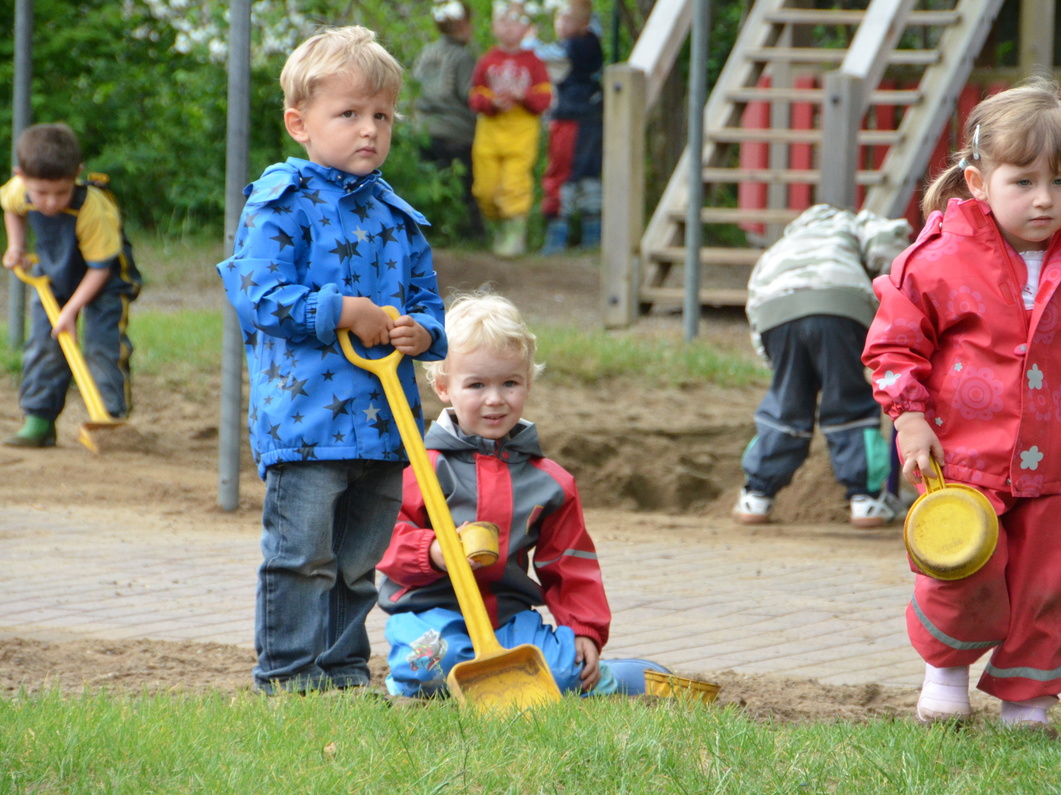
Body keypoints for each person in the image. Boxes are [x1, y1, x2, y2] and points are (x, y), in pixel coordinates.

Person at [861, 76, 1061, 729]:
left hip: (1051, 466)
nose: (1044, 199)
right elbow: (893, 346)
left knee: (1049, 581)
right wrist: (910, 419)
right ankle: (944, 676)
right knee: (963, 570)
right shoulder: (938, 258)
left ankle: (1029, 699)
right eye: (1022, 182)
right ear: (978, 181)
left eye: (1060, 181)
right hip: (962, 460)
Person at [217, 25, 447, 694]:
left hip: (384, 424)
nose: (369, 130)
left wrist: (423, 334)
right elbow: (260, 296)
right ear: (300, 123)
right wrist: (342, 310)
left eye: (381, 115)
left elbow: (429, 301)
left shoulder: (396, 216)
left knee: (357, 563)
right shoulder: (281, 203)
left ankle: (342, 672)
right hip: (306, 423)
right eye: (348, 114)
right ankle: (288, 676)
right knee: (301, 558)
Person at [376, 293, 665, 697]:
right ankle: (406, 682)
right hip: (430, 614)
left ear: (527, 384)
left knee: (568, 673)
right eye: (476, 385)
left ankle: (616, 678)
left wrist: (584, 631)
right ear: (444, 387)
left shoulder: (548, 482)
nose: (495, 399)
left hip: (508, 619)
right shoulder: (423, 469)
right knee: (431, 664)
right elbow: (383, 537)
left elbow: (570, 563)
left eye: (509, 383)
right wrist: (433, 551)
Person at [734, 204, 910, 528]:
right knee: (847, 400)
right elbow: (889, 246)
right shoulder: (852, 223)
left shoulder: (783, 244)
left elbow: (755, 295)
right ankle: (867, 500)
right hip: (840, 307)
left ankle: (756, 496)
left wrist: (771, 357)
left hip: (777, 311)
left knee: (786, 404)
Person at [1, 123, 141, 448]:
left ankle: (111, 421)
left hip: (106, 281)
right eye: (41, 194)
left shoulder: (94, 209)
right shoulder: (18, 189)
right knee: (42, 343)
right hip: (54, 275)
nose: (50, 203)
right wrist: (16, 246)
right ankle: (39, 421)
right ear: (20, 175)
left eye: (61, 193)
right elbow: (11, 209)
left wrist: (70, 311)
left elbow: (100, 268)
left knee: (101, 347)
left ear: (77, 173)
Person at [469, 0, 553, 258]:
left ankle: (515, 235)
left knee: (515, 184)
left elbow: (544, 99)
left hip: (521, 133)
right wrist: (492, 102)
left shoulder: (534, 62)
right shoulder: (487, 60)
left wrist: (522, 95)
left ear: (526, 28)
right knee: (485, 188)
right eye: (503, 22)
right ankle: (498, 229)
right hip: (490, 132)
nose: (509, 28)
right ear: (494, 27)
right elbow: (474, 97)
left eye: (515, 22)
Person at [529, 0, 604, 255]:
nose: (560, 23)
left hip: (570, 119)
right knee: (588, 175)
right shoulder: (593, 41)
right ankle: (592, 235)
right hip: (591, 118)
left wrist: (529, 42)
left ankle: (556, 238)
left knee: (560, 175)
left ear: (582, 24)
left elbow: (546, 56)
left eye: (567, 19)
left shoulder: (572, 47)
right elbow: (592, 20)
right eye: (559, 18)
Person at [412, 0, 487, 243]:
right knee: (464, 188)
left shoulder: (427, 51)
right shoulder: (463, 57)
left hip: (425, 129)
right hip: (456, 133)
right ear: (463, 25)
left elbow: (414, 86)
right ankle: (473, 236)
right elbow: (469, 95)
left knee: (431, 184)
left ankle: (429, 231)